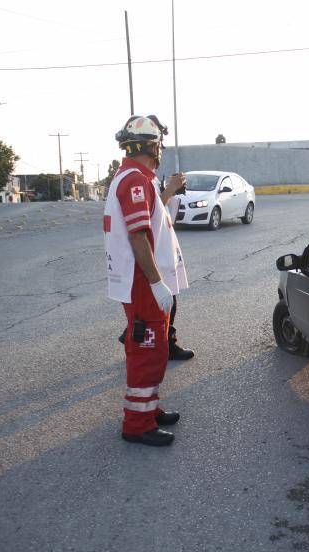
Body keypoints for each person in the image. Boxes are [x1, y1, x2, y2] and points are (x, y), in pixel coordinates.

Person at [103, 114, 189, 446]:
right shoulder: (136, 180)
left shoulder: (137, 177)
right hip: (142, 283)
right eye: (159, 143)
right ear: (152, 146)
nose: (161, 149)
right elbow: (138, 236)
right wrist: (156, 282)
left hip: (143, 281)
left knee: (155, 348)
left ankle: (148, 409)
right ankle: (137, 424)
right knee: (148, 350)